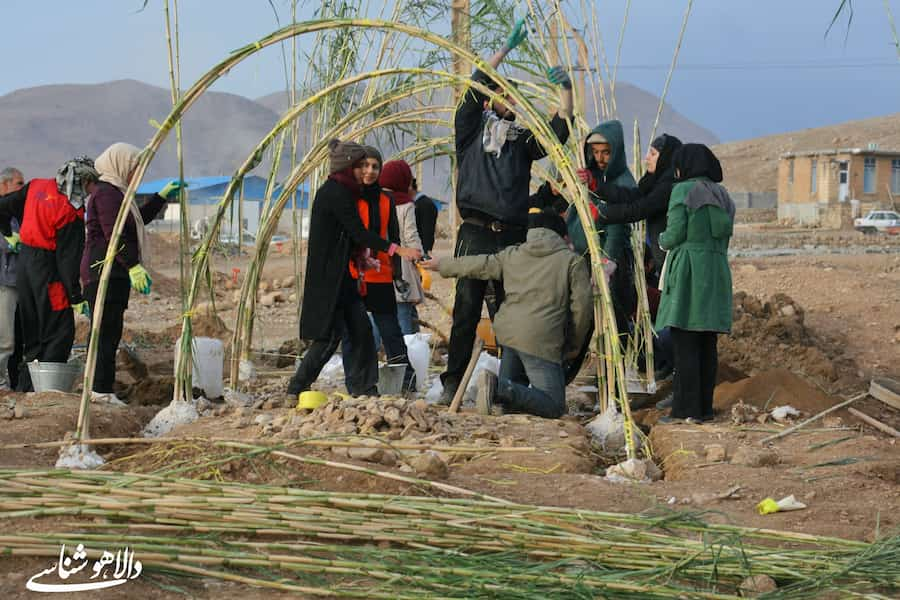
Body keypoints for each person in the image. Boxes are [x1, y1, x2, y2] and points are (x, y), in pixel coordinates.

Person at [441, 17, 573, 404]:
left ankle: (509, 386)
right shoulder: (469, 132)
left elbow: (559, 130)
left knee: (511, 311)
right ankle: (453, 383)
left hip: (512, 237)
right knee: (466, 308)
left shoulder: (520, 143)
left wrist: (565, 90)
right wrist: (506, 49)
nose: (510, 101)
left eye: (514, 97)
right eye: (503, 94)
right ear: (489, 99)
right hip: (477, 233)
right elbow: (474, 82)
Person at [423, 209, 592, 418]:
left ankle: (499, 390)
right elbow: (583, 311)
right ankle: (499, 388)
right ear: (564, 236)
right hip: (541, 340)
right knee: (553, 405)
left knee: (511, 402)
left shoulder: (512, 254)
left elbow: (479, 264)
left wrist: (442, 265)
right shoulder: (572, 262)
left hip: (508, 337)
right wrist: (572, 346)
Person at [288, 139, 421, 397]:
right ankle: (298, 387)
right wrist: (397, 250)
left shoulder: (365, 196)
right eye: (361, 165)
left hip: (350, 278)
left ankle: (367, 390)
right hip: (334, 280)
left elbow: (352, 236)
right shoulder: (337, 193)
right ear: (348, 166)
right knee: (332, 339)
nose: (366, 172)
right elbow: (358, 233)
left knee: (364, 332)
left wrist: (379, 262)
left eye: (372, 166)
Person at [81, 143, 182, 405]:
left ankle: (103, 388)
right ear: (121, 164)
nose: (136, 173)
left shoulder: (118, 194)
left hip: (114, 274)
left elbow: (135, 221)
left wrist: (161, 197)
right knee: (104, 333)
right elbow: (115, 233)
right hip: (103, 273)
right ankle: (100, 391)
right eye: (134, 167)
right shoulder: (106, 194)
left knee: (111, 332)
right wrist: (133, 265)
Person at [592, 133, 683, 389]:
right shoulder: (654, 181)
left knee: (670, 315)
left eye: (653, 154)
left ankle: (672, 368)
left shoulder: (668, 185)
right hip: (661, 257)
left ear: (666, 157)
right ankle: (665, 365)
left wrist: (602, 213)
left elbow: (638, 209)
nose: (647, 158)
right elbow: (632, 196)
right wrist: (599, 189)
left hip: (671, 259)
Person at [0, 157, 97, 391]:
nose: (90, 190)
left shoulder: (36, 187)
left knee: (31, 329)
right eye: (90, 184)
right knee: (58, 330)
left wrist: (8, 232)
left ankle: (24, 387)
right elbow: (68, 261)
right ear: (82, 181)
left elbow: (2, 206)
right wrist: (75, 297)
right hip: (48, 272)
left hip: (25, 267)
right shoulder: (71, 210)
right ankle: (47, 390)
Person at [655, 144, 735, 424]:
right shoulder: (722, 194)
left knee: (685, 341)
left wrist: (661, 240)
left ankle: (684, 411)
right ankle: (703, 409)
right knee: (706, 342)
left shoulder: (683, 191)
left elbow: (675, 234)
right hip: (716, 271)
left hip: (690, 270)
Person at [340, 147, 416, 393]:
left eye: (375, 167)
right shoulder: (349, 197)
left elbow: (392, 237)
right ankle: (357, 383)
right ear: (357, 168)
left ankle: (406, 380)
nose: (370, 171)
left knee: (390, 330)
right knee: (354, 332)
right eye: (366, 166)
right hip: (354, 274)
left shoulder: (386, 200)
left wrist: (397, 275)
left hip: (381, 274)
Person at [567, 119, 636, 342]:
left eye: (606, 152)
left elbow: (618, 224)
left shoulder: (623, 182)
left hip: (608, 262)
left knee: (613, 320)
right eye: (595, 152)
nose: (600, 158)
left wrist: (608, 261)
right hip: (584, 258)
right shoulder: (589, 177)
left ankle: (624, 368)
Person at [380, 160, 425, 336]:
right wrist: (419, 255)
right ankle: (407, 356)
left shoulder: (375, 201)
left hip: (379, 266)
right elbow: (411, 236)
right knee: (403, 313)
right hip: (401, 266)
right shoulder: (406, 205)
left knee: (380, 315)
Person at [0, 168, 24, 390]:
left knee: (17, 337)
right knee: (5, 338)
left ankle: (14, 381)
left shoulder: (16, 212)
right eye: (19, 184)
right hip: (4, 282)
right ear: (4, 185)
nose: (21, 189)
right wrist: (10, 242)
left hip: (17, 282)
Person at [411, 177, 438, 259]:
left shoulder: (426, 205)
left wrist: (425, 254)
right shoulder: (417, 203)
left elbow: (427, 232)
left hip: (421, 254)